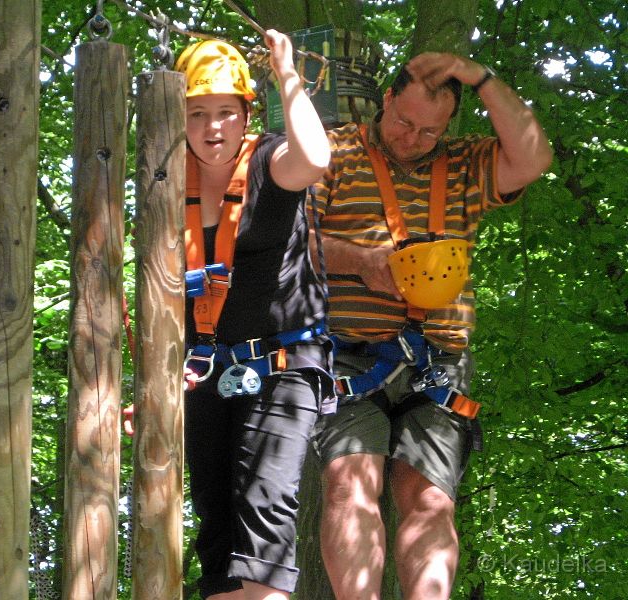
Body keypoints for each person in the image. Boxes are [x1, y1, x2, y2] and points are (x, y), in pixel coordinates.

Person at [310, 52, 552, 600]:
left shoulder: (467, 163)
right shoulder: (333, 151)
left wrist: (482, 77)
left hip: (437, 363)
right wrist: (363, 261)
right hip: (349, 356)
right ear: (387, 99)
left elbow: (534, 157)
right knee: (350, 484)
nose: (413, 137)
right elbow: (291, 243)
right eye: (404, 121)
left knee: (431, 501)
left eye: (429, 130)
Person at [175, 31, 333, 600]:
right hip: (206, 369)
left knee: (265, 508)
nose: (212, 128)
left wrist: (286, 75)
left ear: (247, 114)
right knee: (217, 526)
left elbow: (315, 158)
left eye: (225, 112)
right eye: (197, 114)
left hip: (283, 362)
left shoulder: (271, 161)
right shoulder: (168, 182)